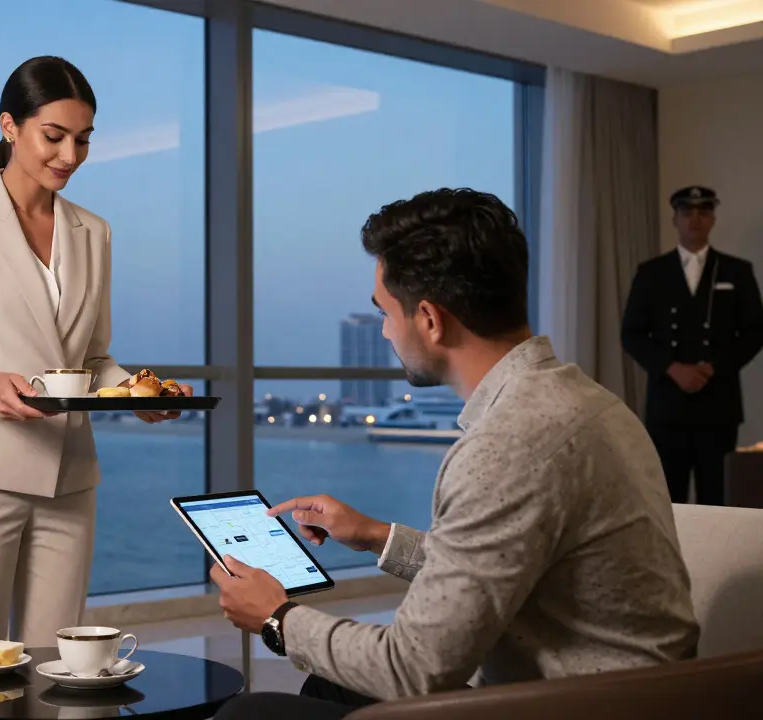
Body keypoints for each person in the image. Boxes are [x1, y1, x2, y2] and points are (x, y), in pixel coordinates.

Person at [212, 189, 700, 720]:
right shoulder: (583, 400)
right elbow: (500, 567)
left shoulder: (509, 444)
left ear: (429, 319)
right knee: (332, 690)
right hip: (637, 694)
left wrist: (278, 618)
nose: (384, 331)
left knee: (250, 714)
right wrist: (376, 535)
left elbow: (413, 669)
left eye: (384, 313)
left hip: (574, 706)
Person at [0, 56, 190, 655]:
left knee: (62, 672)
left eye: (82, 140)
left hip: (70, 480)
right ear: (10, 126)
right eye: (53, 137)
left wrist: (142, 392)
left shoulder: (95, 231)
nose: (69, 156)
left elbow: (95, 358)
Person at [621, 186, 763, 506]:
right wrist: (672, 368)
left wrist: (713, 367)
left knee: (718, 498)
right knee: (670, 502)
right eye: (687, 212)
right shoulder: (652, 273)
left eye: (702, 212)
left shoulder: (736, 271)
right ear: (675, 219)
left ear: (712, 218)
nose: (695, 219)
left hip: (719, 402)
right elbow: (631, 333)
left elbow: (755, 332)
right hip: (668, 404)